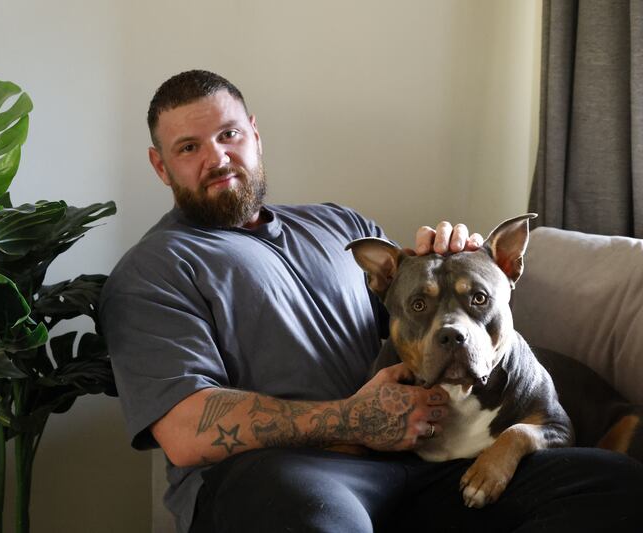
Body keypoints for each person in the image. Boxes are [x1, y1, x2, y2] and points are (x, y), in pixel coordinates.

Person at [100, 70, 643, 533]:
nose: (217, 158)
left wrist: (450, 252)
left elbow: (416, 314)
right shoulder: (153, 271)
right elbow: (184, 434)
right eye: (189, 147)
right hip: (294, 473)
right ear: (159, 165)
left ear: (255, 136)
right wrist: (351, 420)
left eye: (229, 134)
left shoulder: (341, 225)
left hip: (421, 462)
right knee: (301, 507)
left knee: (612, 482)